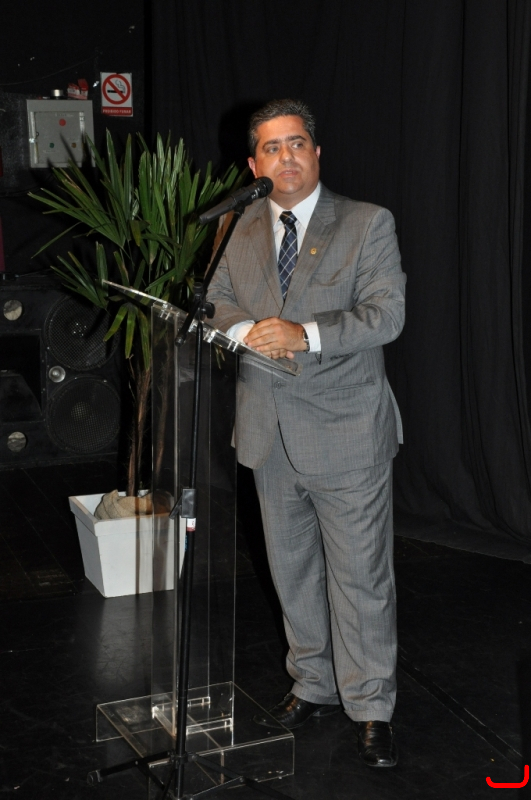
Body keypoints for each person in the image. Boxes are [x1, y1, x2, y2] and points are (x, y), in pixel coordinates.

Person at [206, 99, 406, 768]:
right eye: (271, 147)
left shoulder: (366, 222)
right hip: (266, 432)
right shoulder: (235, 226)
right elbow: (214, 300)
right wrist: (243, 331)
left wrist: (305, 335)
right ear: (252, 165)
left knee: (360, 579)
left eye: (296, 143)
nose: (285, 156)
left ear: (317, 153)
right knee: (290, 571)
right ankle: (313, 682)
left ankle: (371, 706)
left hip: (346, 432)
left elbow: (386, 315)